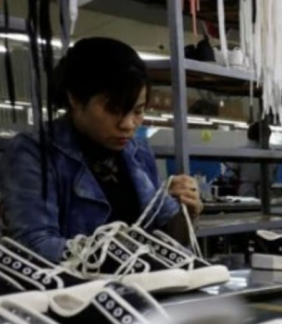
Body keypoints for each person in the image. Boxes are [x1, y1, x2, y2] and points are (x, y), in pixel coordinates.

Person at [0, 37, 201, 262]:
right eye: (113, 110)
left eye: (138, 111)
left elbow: (168, 239)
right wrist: (122, 256)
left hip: (139, 280)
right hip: (77, 285)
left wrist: (186, 213)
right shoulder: (34, 154)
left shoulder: (138, 152)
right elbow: (33, 248)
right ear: (75, 99)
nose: (128, 125)